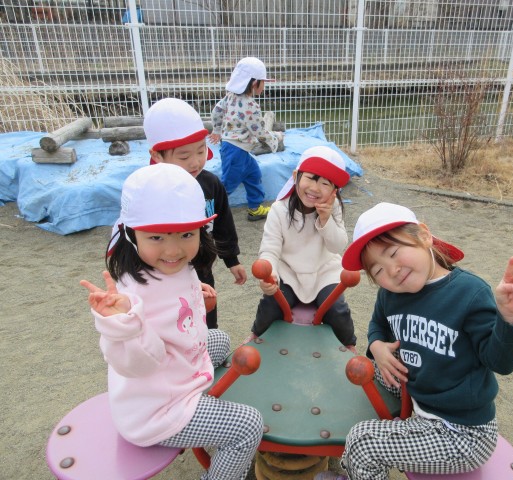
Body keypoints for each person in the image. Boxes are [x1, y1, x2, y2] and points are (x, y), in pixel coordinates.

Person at [316, 202, 513, 480]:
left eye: (393, 252)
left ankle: (365, 463)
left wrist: (508, 318)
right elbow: (378, 324)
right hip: (420, 391)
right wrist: (377, 346)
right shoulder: (390, 294)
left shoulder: (469, 293)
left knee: (363, 442)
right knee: (363, 371)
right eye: (377, 270)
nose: (392, 270)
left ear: (424, 236)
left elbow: (501, 362)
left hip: (462, 433)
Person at [80, 164, 263, 480]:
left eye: (187, 234)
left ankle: (203, 403)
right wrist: (124, 324)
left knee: (219, 339)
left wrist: (194, 293)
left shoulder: (171, 266)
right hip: (155, 409)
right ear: (130, 234)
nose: (174, 250)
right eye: (156, 237)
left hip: (176, 371)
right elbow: (138, 365)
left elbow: (173, 294)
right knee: (248, 426)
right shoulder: (130, 296)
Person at [144, 97, 247, 329]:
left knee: (206, 324)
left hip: (202, 270)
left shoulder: (210, 184)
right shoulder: (149, 191)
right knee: (171, 327)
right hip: (164, 276)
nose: (195, 162)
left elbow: (223, 224)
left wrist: (232, 260)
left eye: (201, 151)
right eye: (184, 156)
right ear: (157, 155)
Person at [245, 145, 357, 352]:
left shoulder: (334, 208)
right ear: (296, 176)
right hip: (289, 272)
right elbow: (270, 249)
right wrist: (270, 274)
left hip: (323, 270)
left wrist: (326, 220)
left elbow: (337, 246)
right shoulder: (279, 209)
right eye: (311, 178)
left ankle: (348, 345)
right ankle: (257, 335)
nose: (315, 188)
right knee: (271, 304)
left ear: (334, 191)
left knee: (337, 309)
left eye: (325, 183)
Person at [209, 56, 284, 221]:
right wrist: (276, 138)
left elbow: (216, 111)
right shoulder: (251, 106)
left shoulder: (230, 96)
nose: (264, 86)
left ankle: (255, 208)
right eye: (263, 82)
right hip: (236, 151)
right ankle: (207, 213)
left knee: (253, 174)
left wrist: (217, 129)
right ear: (254, 83)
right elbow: (259, 132)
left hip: (236, 149)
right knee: (228, 184)